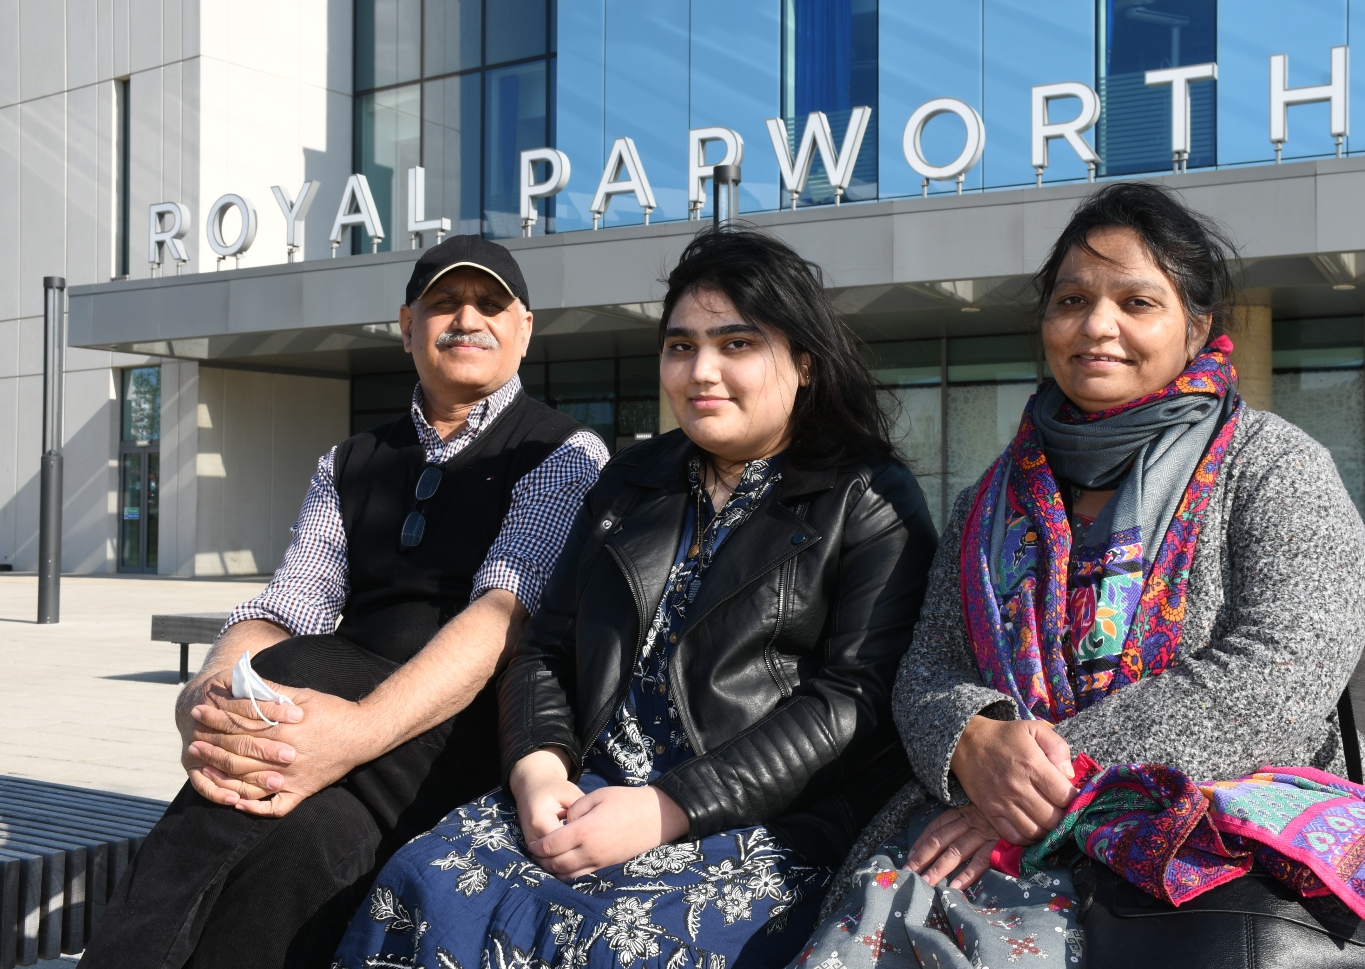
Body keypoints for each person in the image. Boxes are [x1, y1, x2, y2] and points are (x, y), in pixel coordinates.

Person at [793, 182, 1365, 967]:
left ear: (1195, 328)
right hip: (986, 831)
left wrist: (1037, 785)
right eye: (1072, 299)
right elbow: (929, 664)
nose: (1098, 325)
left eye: (1138, 301)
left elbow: (1279, 672)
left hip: (1204, 844)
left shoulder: (1273, 467)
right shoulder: (990, 500)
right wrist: (971, 741)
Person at [334, 225, 938, 969]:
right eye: (681, 346)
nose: (701, 371)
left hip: (763, 819)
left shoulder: (870, 498)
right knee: (422, 883)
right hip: (588, 784)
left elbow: (853, 701)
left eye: (737, 344)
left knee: (611, 945)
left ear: (805, 362)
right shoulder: (631, 481)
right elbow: (548, 645)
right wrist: (539, 770)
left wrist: (668, 808)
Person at [81, 236, 611, 969]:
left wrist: (356, 731)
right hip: (341, 732)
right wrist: (205, 697)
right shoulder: (348, 461)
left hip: (469, 730)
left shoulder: (564, 452)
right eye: (444, 304)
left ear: (524, 328)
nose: (467, 319)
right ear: (405, 324)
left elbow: (503, 618)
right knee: (311, 839)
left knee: (300, 669)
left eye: (491, 305)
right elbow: (289, 601)